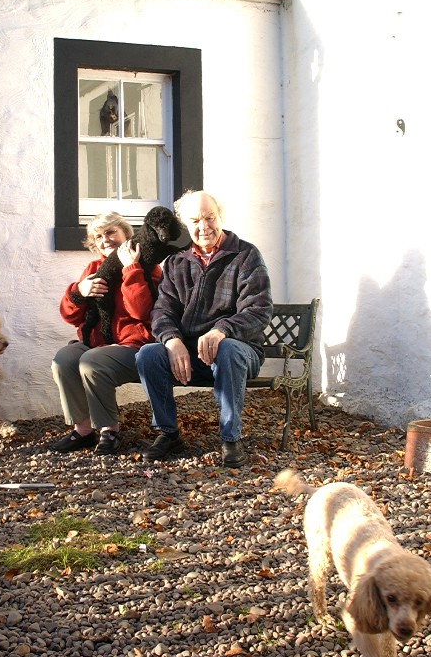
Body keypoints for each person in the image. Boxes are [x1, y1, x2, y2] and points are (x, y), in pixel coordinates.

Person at [134, 190, 272, 468]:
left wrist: (221, 330)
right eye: (195, 220)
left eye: (210, 217)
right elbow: (162, 311)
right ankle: (168, 432)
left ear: (220, 217)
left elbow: (259, 310)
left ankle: (231, 438)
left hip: (239, 351)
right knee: (148, 355)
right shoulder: (176, 262)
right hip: (192, 354)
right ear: (185, 224)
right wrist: (172, 341)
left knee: (228, 349)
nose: (203, 226)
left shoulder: (246, 255)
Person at [49, 212, 163, 456]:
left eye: (111, 232)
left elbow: (143, 311)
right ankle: (82, 430)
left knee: (92, 361)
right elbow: (71, 316)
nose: (105, 239)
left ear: (126, 234)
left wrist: (131, 269)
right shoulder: (93, 268)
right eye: (98, 237)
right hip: (97, 343)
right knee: (64, 359)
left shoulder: (147, 266)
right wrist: (80, 291)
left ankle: (109, 429)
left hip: (137, 347)